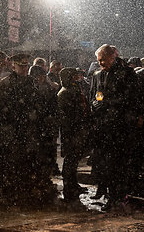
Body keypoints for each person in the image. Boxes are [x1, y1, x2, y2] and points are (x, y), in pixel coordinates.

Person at [0, 53, 56, 205]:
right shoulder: (6, 83)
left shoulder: (31, 82)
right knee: (14, 164)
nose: (24, 68)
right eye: (21, 66)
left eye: (26, 66)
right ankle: (14, 195)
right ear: (14, 66)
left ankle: (29, 193)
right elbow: (2, 110)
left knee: (30, 163)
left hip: (31, 130)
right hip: (14, 130)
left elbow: (38, 103)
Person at [89, 44, 139, 210]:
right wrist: (95, 106)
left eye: (103, 59)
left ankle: (119, 195)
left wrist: (109, 105)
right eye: (99, 60)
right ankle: (110, 193)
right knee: (106, 164)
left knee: (119, 164)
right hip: (104, 127)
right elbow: (93, 96)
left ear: (113, 56)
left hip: (121, 126)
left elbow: (131, 99)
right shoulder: (98, 74)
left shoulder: (126, 74)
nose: (101, 63)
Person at [57, 67, 90, 203]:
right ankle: (69, 188)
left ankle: (73, 185)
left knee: (75, 159)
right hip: (71, 132)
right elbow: (67, 116)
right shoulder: (64, 93)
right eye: (74, 77)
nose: (77, 79)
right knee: (70, 160)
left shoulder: (75, 89)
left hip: (78, 130)